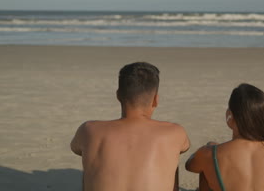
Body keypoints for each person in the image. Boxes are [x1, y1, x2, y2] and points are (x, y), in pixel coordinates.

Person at [71, 62, 190, 191]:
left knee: (91, 160)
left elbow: (77, 149)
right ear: (156, 99)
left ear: (118, 95)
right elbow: (184, 148)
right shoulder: (175, 132)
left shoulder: (89, 129)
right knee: (172, 156)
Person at [186, 83, 264, 191]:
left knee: (207, 169)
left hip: (214, 156)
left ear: (229, 116)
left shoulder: (211, 154)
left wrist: (209, 148)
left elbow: (190, 166)